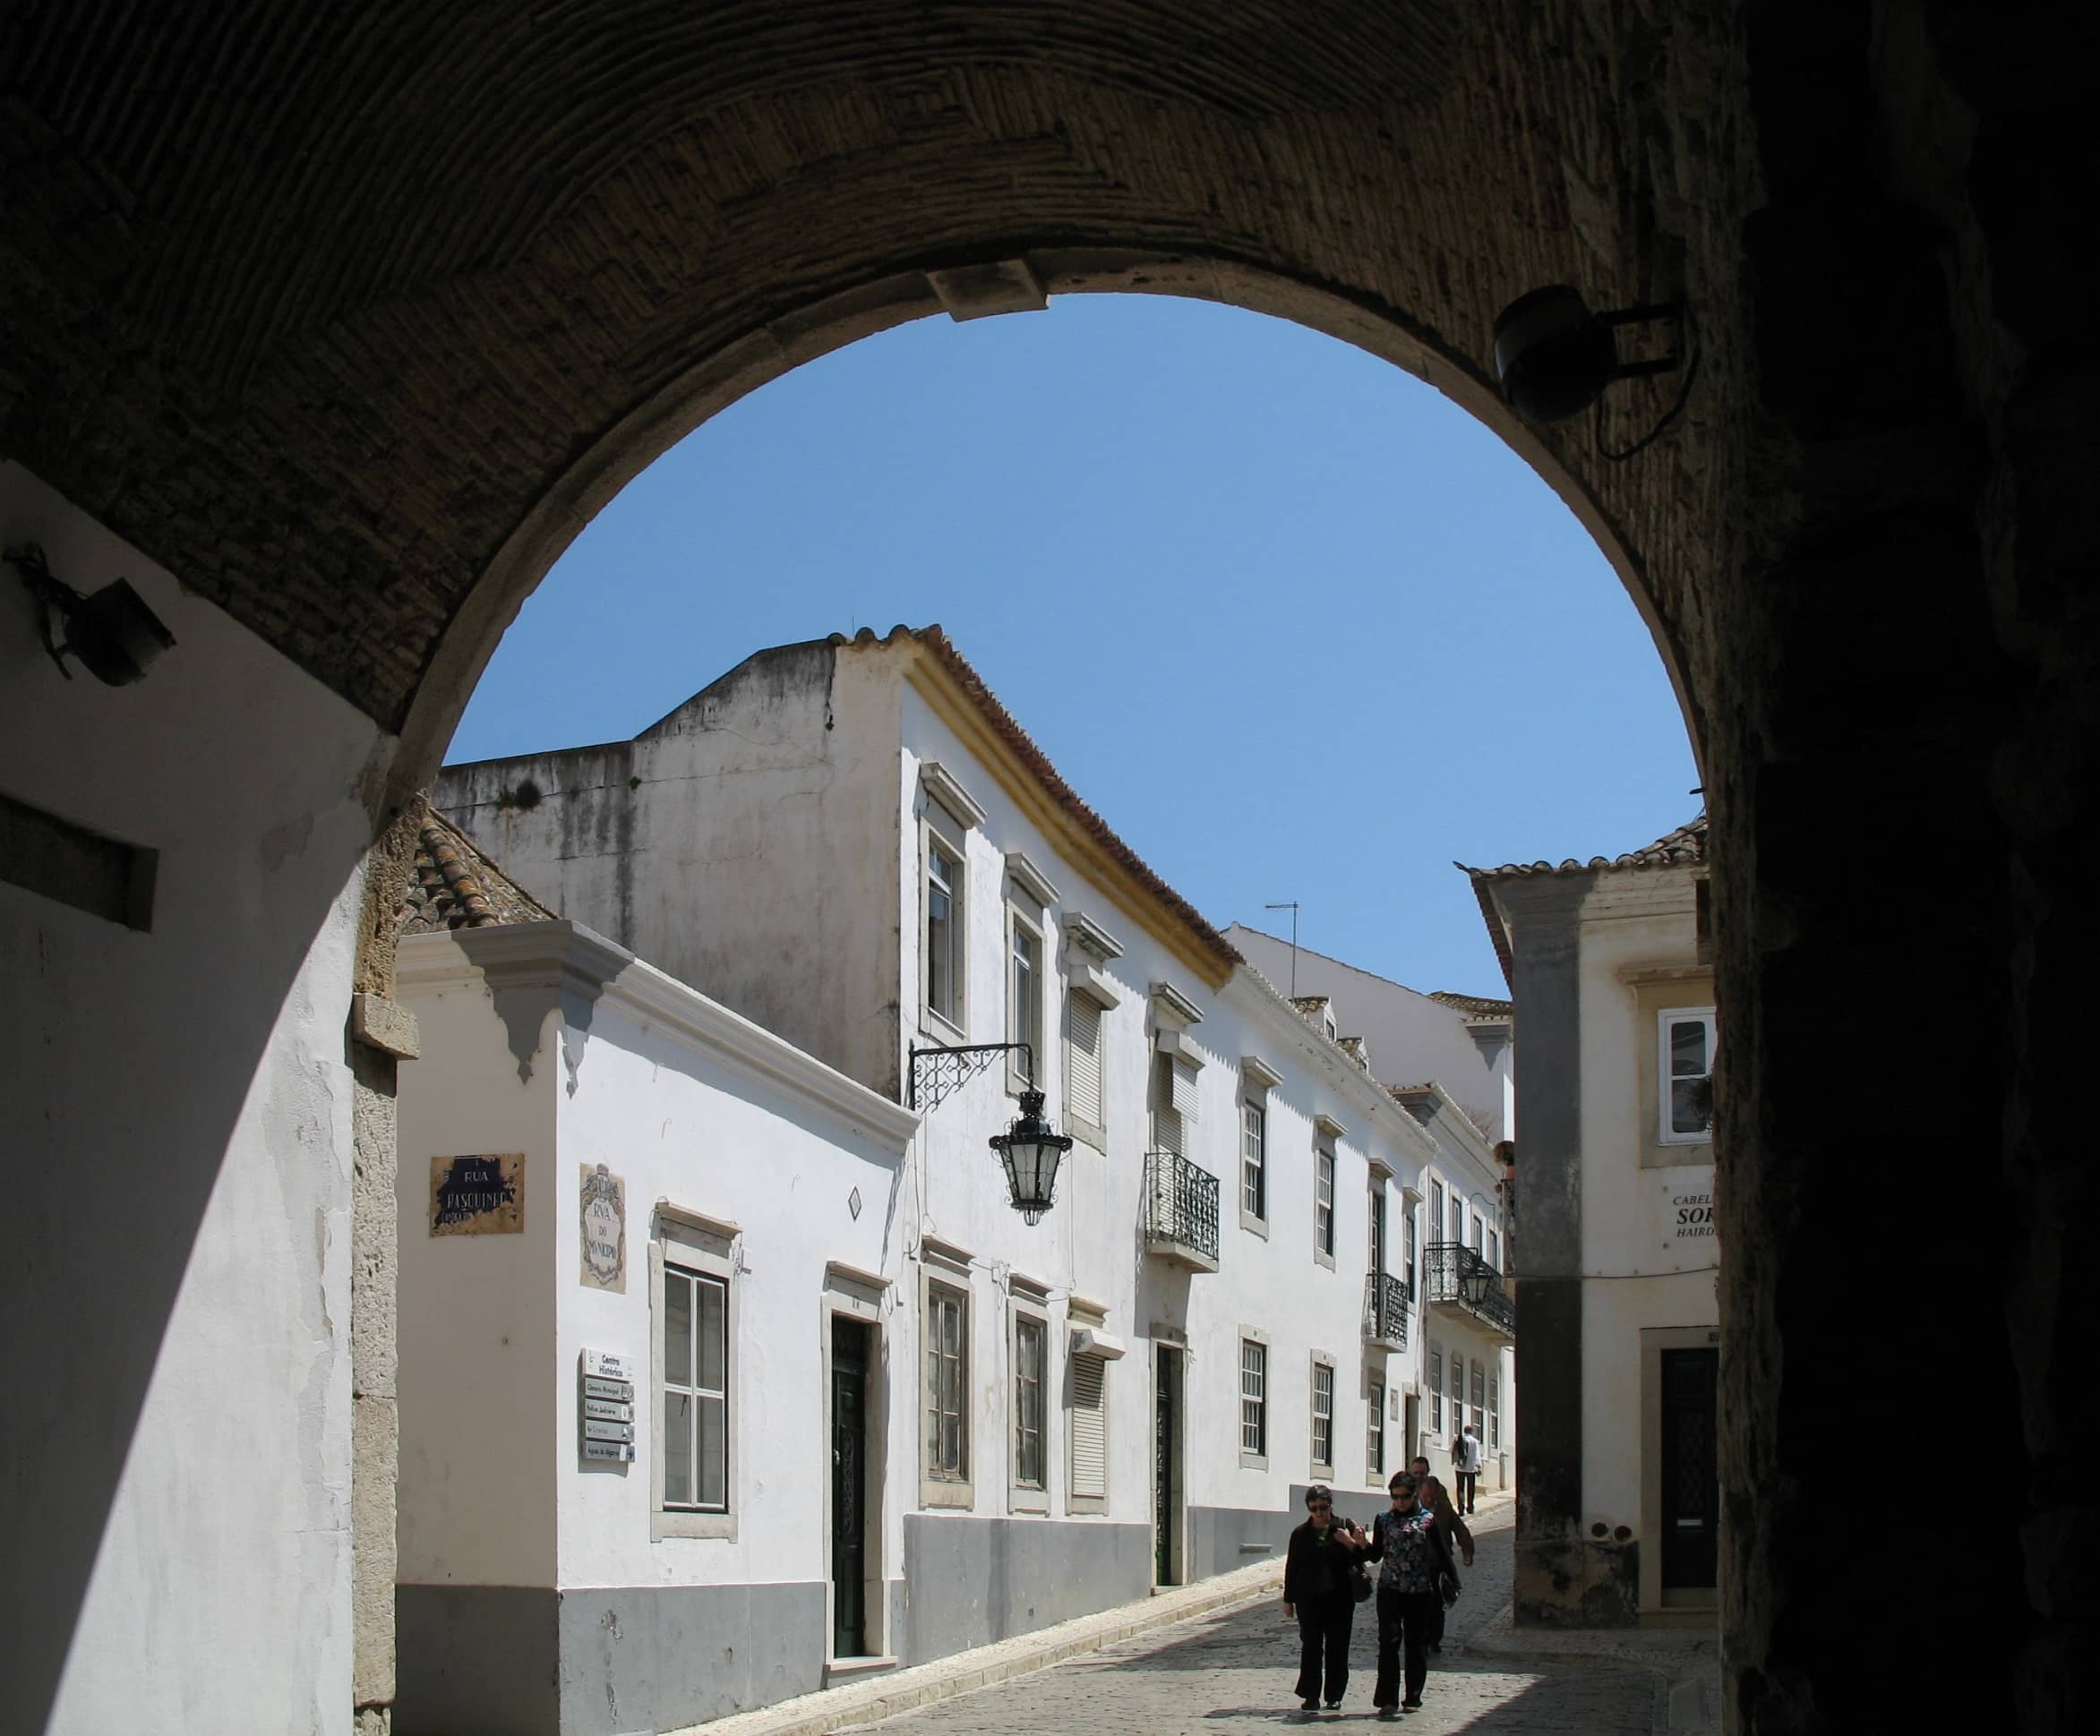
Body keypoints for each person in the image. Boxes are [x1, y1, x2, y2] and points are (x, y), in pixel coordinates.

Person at [1367, 1470, 1461, 1716]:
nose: (1400, 1502)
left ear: (1414, 1495)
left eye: (1405, 1497)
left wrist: (1454, 1581)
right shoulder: (1383, 1519)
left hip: (1419, 1591)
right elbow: (1376, 1554)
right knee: (1388, 1643)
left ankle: (1413, 1696)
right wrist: (1357, 1544)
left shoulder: (1427, 1520)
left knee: (1415, 1645)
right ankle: (1387, 1699)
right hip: (1389, 1589)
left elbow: (1443, 1553)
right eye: (1395, 1496)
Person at [1281, 1483, 1373, 1713]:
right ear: (1309, 1509)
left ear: (1330, 1505)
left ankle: (1334, 1695)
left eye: (1323, 1507)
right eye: (1314, 1509)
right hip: (1309, 1600)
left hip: (1340, 1598)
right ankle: (1311, 1695)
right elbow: (1292, 1566)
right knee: (1311, 1646)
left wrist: (1352, 1543)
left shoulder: (1345, 1526)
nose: (1320, 1513)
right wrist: (1288, 1599)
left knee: (1337, 1648)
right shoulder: (1300, 1533)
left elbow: (1365, 1557)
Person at [1409, 1455, 1474, 1654]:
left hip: (1438, 1562)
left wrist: (1467, 1551)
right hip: (1416, 1563)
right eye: (1416, 1473)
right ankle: (1418, 1637)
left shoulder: (1443, 1509)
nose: (1427, 1499)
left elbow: (1460, 1529)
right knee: (1415, 1603)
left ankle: (1434, 1638)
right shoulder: (1408, 1503)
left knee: (1436, 1603)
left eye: (1431, 1496)